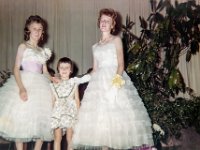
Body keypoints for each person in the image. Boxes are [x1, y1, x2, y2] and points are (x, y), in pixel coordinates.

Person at [72, 8, 155, 150]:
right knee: (101, 125)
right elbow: (95, 70)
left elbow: (121, 65)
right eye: (102, 20)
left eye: (107, 21)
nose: (104, 23)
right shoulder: (95, 46)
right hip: (98, 85)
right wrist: (81, 79)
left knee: (117, 124)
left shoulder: (116, 40)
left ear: (112, 25)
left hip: (115, 81)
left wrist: (115, 87)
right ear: (99, 23)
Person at [0, 15, 55, 150]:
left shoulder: (43, 52)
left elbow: (45, 72)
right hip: (25, 82)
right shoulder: (23, 46)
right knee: (21, 120)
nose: (37, 31)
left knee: (42, 122)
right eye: (34, 28)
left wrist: (54, 79)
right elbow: (16, 69)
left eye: (40, 29)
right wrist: (21, 88)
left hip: (40, 86)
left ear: (43, 32)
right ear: (28, 30)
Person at [50, 57, 90, 150]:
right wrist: (51, 114)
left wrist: (79, 114)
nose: (64, 70)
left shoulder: (74, 84)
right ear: (58, 69)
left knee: (70, 138)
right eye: (61, 67)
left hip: (71, 113)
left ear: (71, 70)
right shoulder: (53, 85)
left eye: (67, 68)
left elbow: (77, 100)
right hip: (57, 113)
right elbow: (53, 101)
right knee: (57, 138)